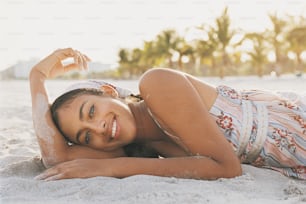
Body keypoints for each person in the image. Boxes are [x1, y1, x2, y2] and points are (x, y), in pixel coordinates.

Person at [30, 48, 305, 181]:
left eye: (91, 111)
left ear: (108, 92)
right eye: (86, 136)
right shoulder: (143, 145)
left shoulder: (157, 85)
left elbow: (226, 168)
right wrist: (37, 78)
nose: (99, 128)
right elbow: (57, 158)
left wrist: (110, 167)